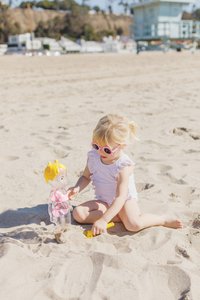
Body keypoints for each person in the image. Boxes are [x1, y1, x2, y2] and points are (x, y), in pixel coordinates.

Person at [68, 114, 182, 236]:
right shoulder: (93, 156)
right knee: (78, 214)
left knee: (133, 225)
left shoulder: (123, 166)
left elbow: (120, 197)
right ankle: (117, 216)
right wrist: (77, 188)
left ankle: (162, 219)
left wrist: (104, 220)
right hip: (104, 202)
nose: (100, 151)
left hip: (124, 201)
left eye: (106, 149)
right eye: (96, 146)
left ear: (122, 145)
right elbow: (86, 176)